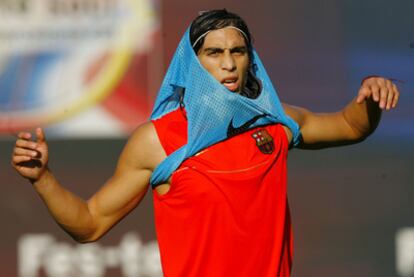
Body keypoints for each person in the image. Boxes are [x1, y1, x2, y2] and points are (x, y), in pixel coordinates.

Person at [12, 9, 400, 277]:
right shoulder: (157, 141)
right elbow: (90, 224)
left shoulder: (275, 121)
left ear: (251, 58)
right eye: (214, 53)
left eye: (238, 51)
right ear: (192, 63)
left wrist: (369, 99)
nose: (229, 64)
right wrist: (42, 178)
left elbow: (350, 127)